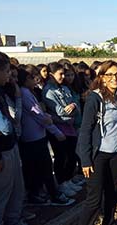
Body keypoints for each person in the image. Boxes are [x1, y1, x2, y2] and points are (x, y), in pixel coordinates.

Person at [77, 60, 117, 225]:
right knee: (94, 199)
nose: (115, 78)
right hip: (98, 155)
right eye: (110, 74)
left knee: (112, 193)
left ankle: (109, 221)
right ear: (102, 77)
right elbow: (85, 130)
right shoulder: (95, 98)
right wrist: (85, 159)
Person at [17, 66, 74, 206]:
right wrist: (56, 131)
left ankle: (41, 195)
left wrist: (46, 116)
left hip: (37, 136)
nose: (36, 79)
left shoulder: (28, 92)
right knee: (45, 168)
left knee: (40, 168)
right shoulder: (25, 94)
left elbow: (41, 114)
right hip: (33, 138)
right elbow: (38, 115)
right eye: (33, 77)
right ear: (25, 80)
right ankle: (53, 195)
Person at [0, 51, 25, 225]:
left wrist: (4, 129)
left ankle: (13, 220)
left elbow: (7, 124)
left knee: (16, 190)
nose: (9, 76)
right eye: (7, 71)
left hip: (10, 147)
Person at [42, 62, 82, 197]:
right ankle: (61, 182)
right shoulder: (48, 92)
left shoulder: (64, 88)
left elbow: (74, 104)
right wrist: (70, 109)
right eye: (61, 74)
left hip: (70, 127)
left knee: (71, 156)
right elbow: (60, 111)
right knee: (61, 157)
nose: (63, 76)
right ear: (52, 75)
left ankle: (68, 179)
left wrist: (73, 106)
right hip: (59, 129)